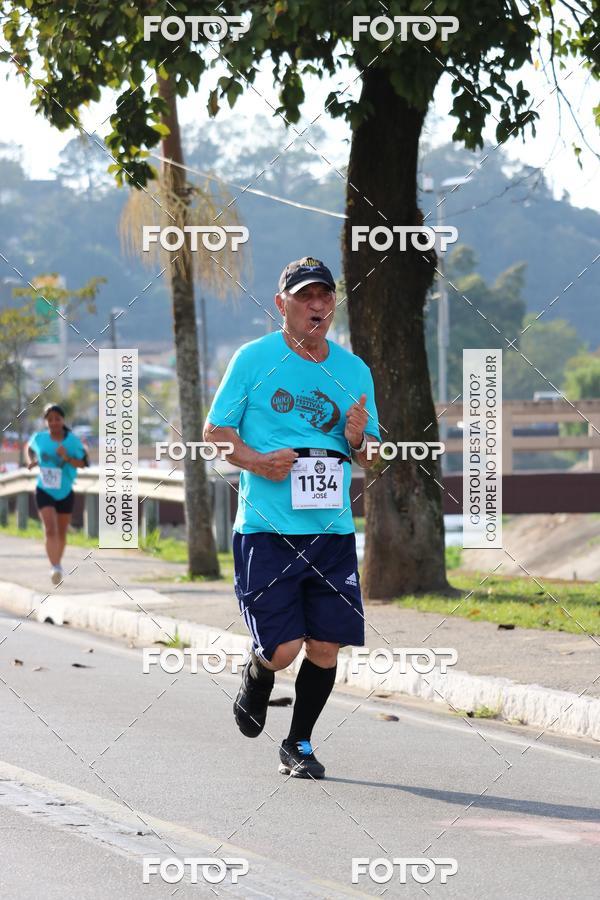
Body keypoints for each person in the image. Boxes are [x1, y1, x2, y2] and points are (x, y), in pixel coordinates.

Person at [204, 257, 381, 779]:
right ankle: (259, 672)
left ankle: (298, 744)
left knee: (326, 647)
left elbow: (374, 454)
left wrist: (357, 441)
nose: (318, 306)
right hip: (267, 531)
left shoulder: (353, 369)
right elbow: (215, 433)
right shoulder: (253, 359)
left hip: (331, 533)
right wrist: (257, 462)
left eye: (325, 296)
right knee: (282, 652)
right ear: (282, 305)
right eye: (306, 297)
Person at [27, 404, 89, 585]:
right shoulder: (39, 438)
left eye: (57, 419)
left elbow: (83, 463)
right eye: (49, 419)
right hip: (44, 489)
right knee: (50, 528)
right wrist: (31, 461)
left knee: (61, 533)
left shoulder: (72, 441)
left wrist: (66, 458)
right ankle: (54, 566)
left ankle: (58, 564)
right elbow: (30, 448)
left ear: (63, 420)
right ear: (46, 422)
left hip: (65, 491)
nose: (53, 422)